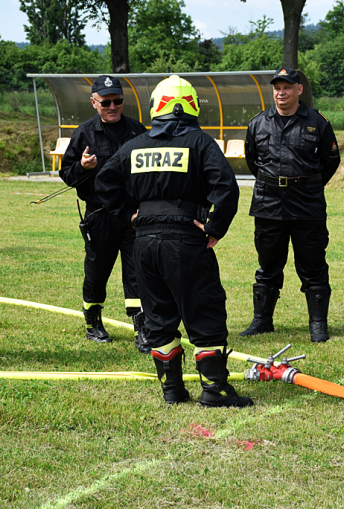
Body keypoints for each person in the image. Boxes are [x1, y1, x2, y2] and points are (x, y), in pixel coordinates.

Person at [95, 75, 252, 408]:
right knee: (203, 309)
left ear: (156, 107)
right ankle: (214, 390)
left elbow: (105, 180)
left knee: (158, 315)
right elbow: (226, 188)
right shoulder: (199, 142)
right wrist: (214, 227)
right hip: (185, 238)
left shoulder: (135, 145)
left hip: (145, 241)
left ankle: (172, 390)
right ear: (192, 105)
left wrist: (129, 216)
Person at [240, 66, 340, 343]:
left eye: (287, 87)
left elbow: (331, 161)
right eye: (277, 87)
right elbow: (252, 160)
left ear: (299, 90)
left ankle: (318, 324)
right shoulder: (258, 123)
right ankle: (262, 320)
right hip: (268, 202)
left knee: (313, 264)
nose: (281, 92)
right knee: (268, 264)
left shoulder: (318, 122)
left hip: (307, 203)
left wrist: (308, 184)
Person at [59, 75, 149, 352]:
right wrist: (83, 168)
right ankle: (93, 321)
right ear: (94, 103)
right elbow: (67, 175)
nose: (113, 106)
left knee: (139, 272)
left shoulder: (138, 131)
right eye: (106, 102)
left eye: (118, 101)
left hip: (133, 215)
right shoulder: (84, 133)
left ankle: (142, 327)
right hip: (100, 215)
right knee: (97, 271)